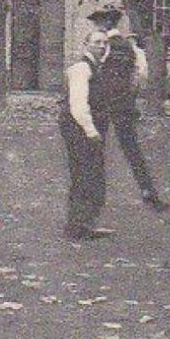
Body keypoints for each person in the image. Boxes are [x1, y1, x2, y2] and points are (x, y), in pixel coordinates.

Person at [93, 28, 170, 213]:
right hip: (124, 104)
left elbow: (97, 74)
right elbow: (139, 76)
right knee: (132, 150)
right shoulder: (132, 49)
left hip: (103, 104)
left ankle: (95, 195)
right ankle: (148, 191)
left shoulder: (103, 48)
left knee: (96, 147)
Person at [60, 30, 112, 240]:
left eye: (105, 43)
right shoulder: (82, 69)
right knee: (84, 174)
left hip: (88, 128)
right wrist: (90, 130)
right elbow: (78, 105)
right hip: (79, 128)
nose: (101, 46)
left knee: (92, 175)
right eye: (97, 42)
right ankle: (76, 227)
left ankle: (85, 224)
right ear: (86, 44)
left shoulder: (96, 68)